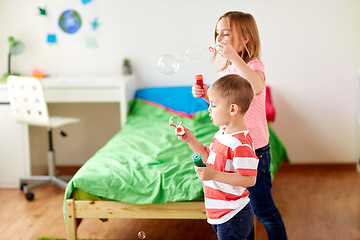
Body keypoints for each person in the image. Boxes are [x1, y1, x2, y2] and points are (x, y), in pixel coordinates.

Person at [192, 11, 287, 240]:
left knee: (264, 211)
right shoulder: (225, 68)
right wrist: (207, 97)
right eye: (217, 33)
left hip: (254, 149)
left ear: (245, 37)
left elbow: (255, 87)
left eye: (226, 33)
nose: (219, 38)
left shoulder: (254, 65)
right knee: (242, 206)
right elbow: (228, 106)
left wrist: (234, 58)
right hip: (231, 146)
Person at [178, 74, 259, 240]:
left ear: (232, 109)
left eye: (213, 105)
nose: (208, 108)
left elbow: (249, 179)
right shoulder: (222, 133)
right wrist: (190, 139)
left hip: (234, 215)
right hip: (222, 214)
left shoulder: (240, 143)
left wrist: (214, 175)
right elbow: (208, 157)